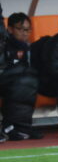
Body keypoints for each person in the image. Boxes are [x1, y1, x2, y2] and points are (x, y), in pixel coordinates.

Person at [0, 12, 42, 141]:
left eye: (28, 30)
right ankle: (12, 126)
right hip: (4, 82)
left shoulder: (27, 47)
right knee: (23, 82)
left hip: (17, 83)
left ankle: (22, 127)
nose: (25, 33)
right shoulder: (3, 45)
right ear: (10, 29)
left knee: (29, 81)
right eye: (21, 29)